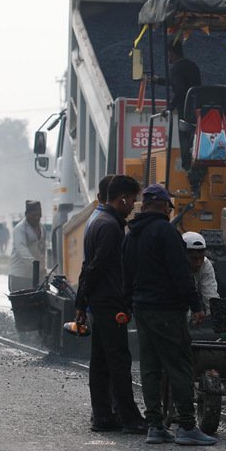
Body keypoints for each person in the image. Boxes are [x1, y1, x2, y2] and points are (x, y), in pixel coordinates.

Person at [122, 184, 217, 446]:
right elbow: (180, 274)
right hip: (167, 310)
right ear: (165, 206)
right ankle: (187, 425)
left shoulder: (131, 236)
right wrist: (196, 305)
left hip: (142, 309)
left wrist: (129, 306)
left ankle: (155, 425)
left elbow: (126, 276)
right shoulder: (166, 232)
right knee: (179, 365)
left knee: (150, 367)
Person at [74, 174, 145, 434]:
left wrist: (81, 302)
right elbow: (97, 267)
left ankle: (103, 415)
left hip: (98, 302)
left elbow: (88, 266)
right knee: (118, 360)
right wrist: (83, 300)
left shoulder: (96, 220)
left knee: (101, 361)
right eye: (132, 200)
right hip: (109, 302)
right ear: (122, 198)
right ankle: (129, 417)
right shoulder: (110, 227)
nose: (133, 206)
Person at [168, 39, 203, 172]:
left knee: (185, 137)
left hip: (185, 110)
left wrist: (170, 107)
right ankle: (197, 162)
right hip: (198, 108)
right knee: (195, 137)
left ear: (171, 53)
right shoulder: (192, 66)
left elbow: (180, 89)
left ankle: (187, 166)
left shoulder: (175, 68)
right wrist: (158, 80)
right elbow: (183, 83)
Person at [8, 200, 46, 292]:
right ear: (26, 214)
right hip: (19, 277)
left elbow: (42, 251)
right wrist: (35, 265)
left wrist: (43, 268)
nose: (37, 218)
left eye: (39, 215)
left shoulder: (42, 228)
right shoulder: (20, 229)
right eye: (34, 215)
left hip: (36, 277)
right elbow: (22, 249)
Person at [182, 231, 220, 316]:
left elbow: (210, 293)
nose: (199, 263)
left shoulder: (206, 264)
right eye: (194, 258)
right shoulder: (174, 266)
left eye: (201, 258)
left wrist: (217, 315)